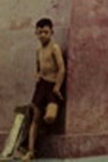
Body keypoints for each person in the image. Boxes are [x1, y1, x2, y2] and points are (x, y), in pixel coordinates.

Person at [23, 17, 65, 161]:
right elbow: (38, 65)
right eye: (39, 32)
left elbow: (62, 69)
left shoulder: (54, 48)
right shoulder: (38, 49)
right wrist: (37, 74)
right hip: (41, 86)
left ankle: (44, 128)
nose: (42, 35)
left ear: (51, 32)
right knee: (35, 118)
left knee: (50, 117)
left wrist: (58, 87)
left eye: (45, 32)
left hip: (52, 86)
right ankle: (30, 151)